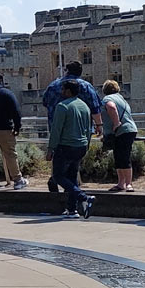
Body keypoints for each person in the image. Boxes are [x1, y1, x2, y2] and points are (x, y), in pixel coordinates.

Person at [42, 62, 102, 193]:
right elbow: (95, 107)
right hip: (80, 134)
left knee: (60, 163)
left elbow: (45, 102)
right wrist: (99, 126)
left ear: (66, 71)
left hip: (57, 132)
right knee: (73, 167)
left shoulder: (53, 86)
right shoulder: (86, 86)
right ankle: (73, 200)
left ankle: (57, 183)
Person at [48, 81, 95, 219]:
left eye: (63, 89)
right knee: (72, 177)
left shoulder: (62, 106)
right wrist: (86, 145)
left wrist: (51, 148)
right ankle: (72, 209)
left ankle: (83, 197)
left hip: (65, 146)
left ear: (68, 91)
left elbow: (56, 130)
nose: (61, 91)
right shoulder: (85, 106)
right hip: (81, 146)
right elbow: (88, 129)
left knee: (58, 176)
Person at [99, 79, 139, 192]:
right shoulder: (121, 98)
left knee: (123, 156)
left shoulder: (108, 99)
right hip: (128, 130)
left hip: (122, 131)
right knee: (119, 156)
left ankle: (127, 183)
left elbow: (111, 107)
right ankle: (122, 183)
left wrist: (116, 123)